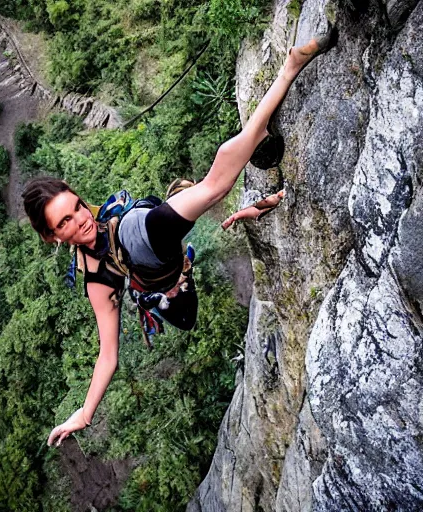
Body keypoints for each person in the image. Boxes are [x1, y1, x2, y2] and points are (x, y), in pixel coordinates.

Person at [22, 33, 336, 447]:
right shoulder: (96, 278)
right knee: (206, 212)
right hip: (160, 265)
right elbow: (108, 354)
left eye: (78, 206)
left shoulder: (114, 244)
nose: (81, 219)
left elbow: (134, 230)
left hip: (145, 238)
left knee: (215, 186)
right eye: (65, 222)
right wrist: (85, 412)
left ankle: (287, 71)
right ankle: (249, 166)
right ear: (51, 236)